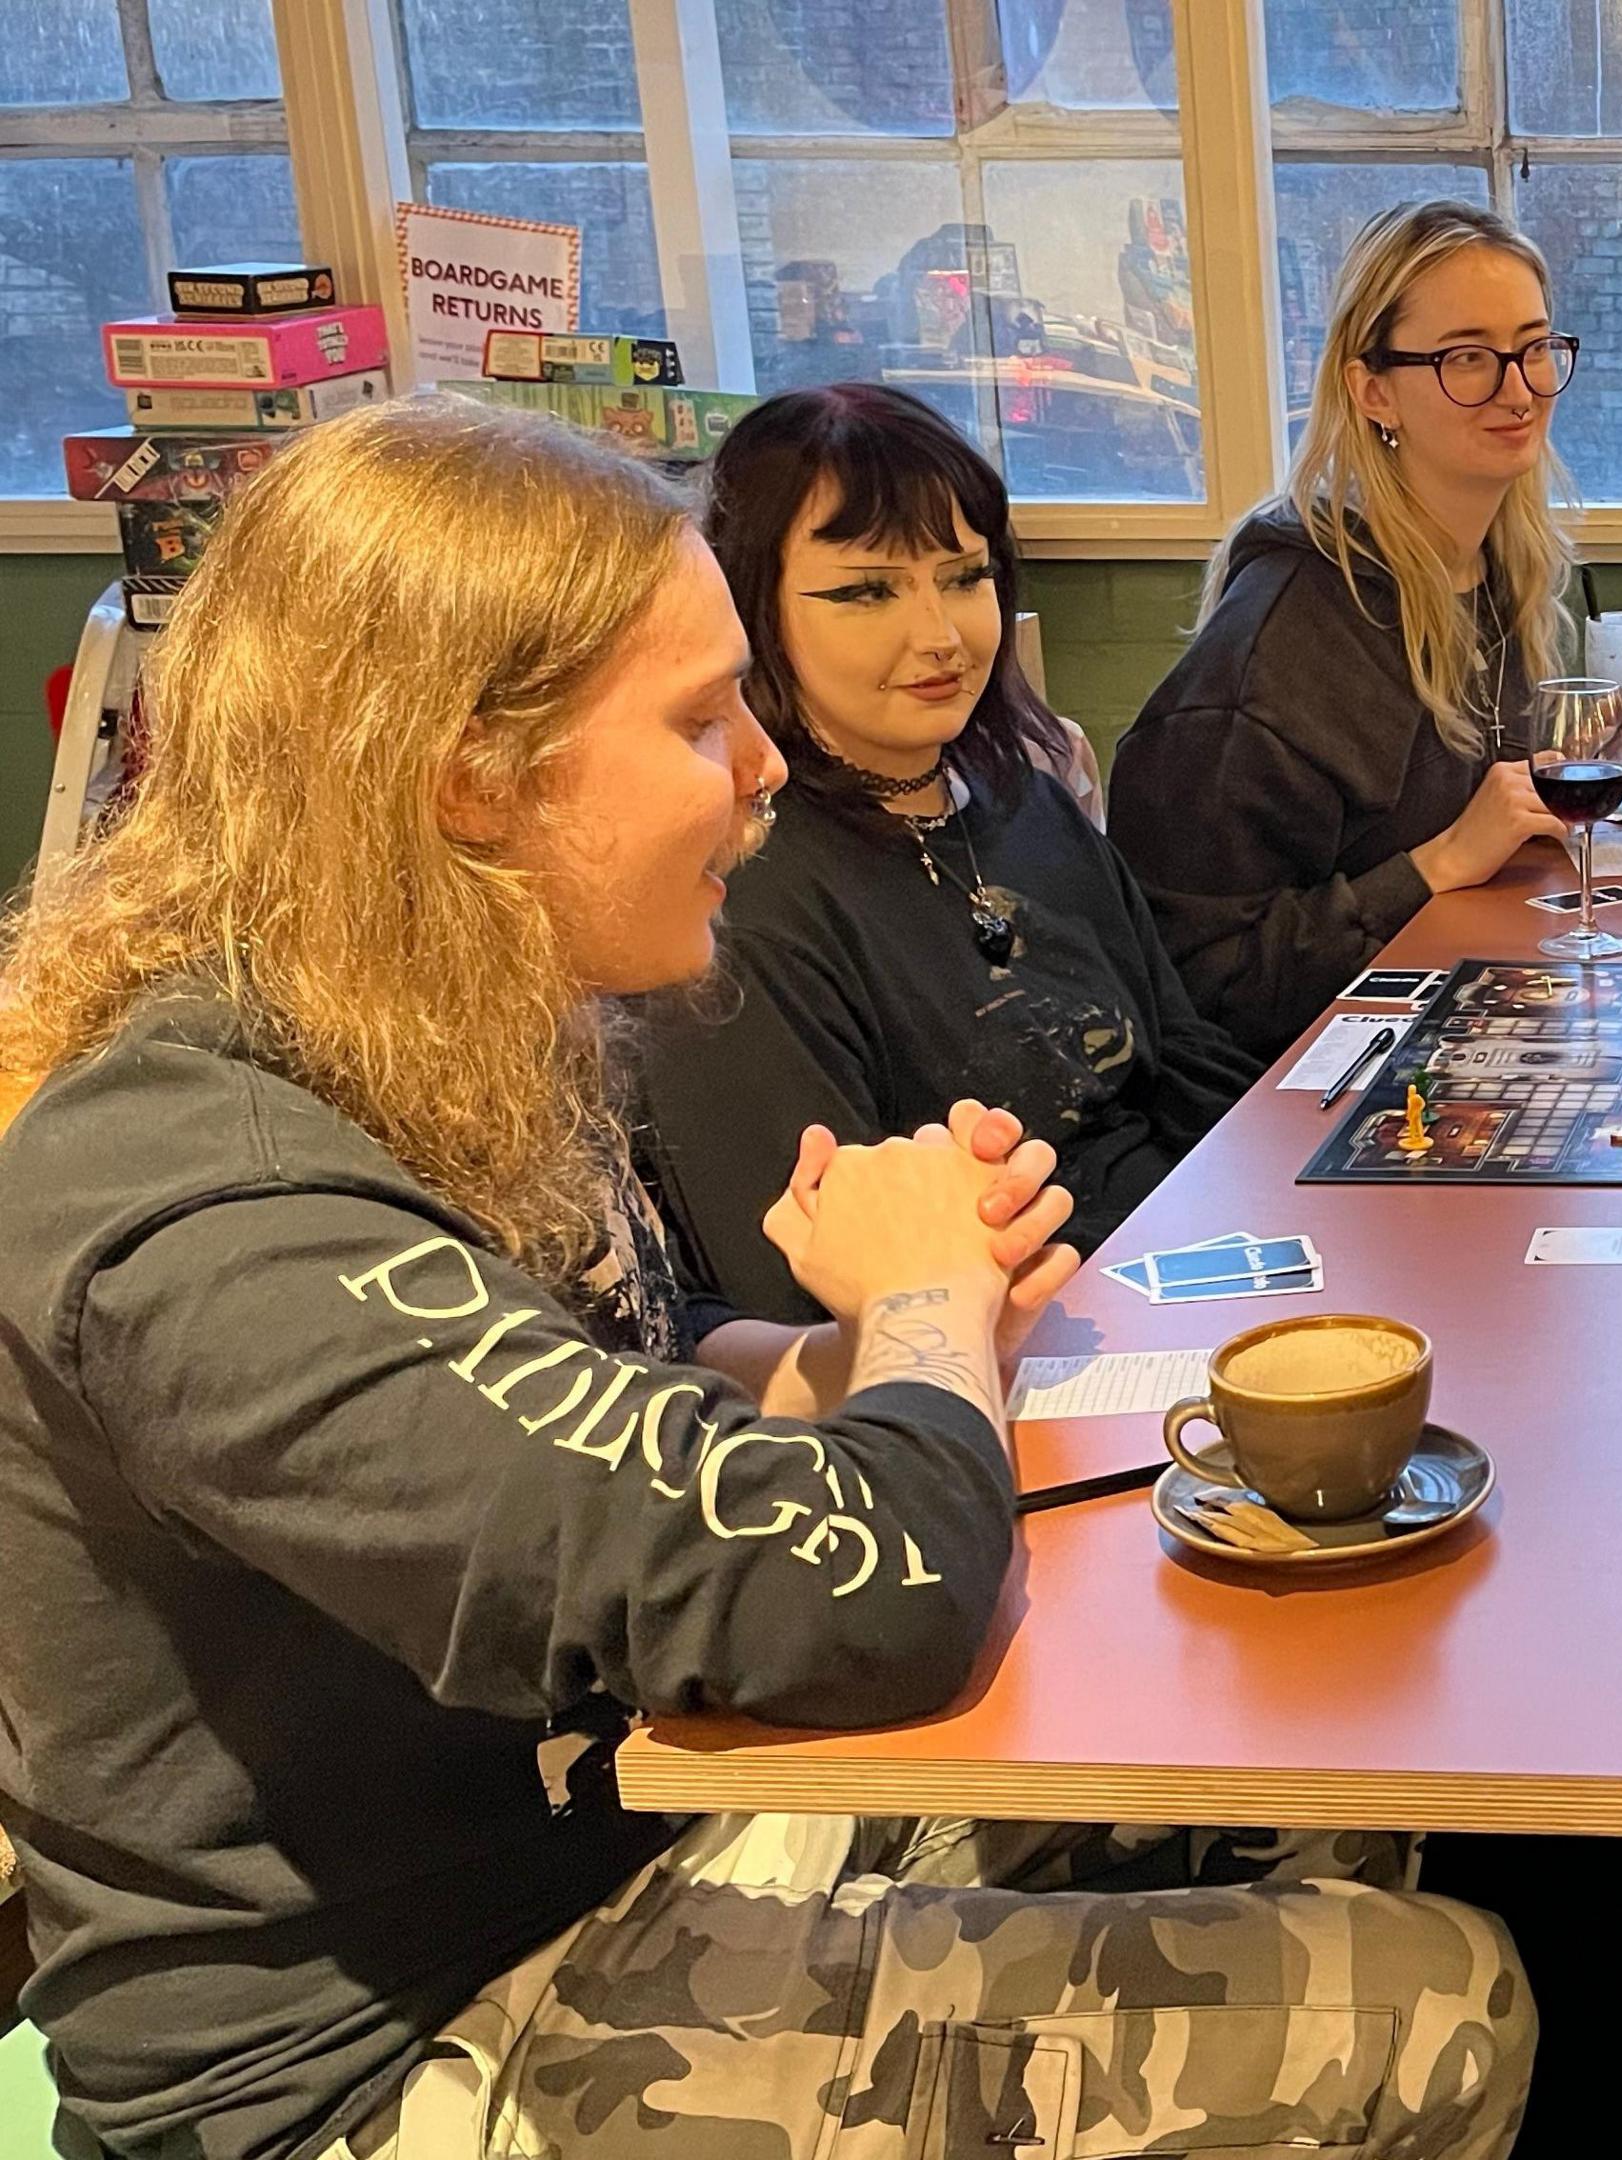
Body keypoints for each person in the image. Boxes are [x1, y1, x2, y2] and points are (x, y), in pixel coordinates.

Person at [0, 399, 1533, 2160]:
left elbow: (630, 1381)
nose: (763, 766)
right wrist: (929, 1319)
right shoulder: (214, 1204)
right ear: (470, 776)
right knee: (1434, 2006)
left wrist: (872, 1340)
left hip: (648, 1829)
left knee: (1324, 1786)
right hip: (401, 2048)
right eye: (697, 718)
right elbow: (882, 1605)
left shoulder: (436, 1033)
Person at [633, 383, 1262, 1324]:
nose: (941, 637)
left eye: (966, 578)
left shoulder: (1023, 798)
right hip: (994, 1340)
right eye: (866, 591)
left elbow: (1181, 1062)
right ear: (750, 610)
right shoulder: (737, 898)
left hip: (1178, 1265)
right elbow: (800, 1292)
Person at [1113, 201, 1622, 1057]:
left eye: (1534, 349)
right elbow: (1200, 983)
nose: (1518, 391)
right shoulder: (1280, 637)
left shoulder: (1492, 567)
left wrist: (1572, 758)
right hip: (1295, 1100)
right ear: (1372, 390)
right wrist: (1439, 863)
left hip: (1458, 1034)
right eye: (1468, 358)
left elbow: (1444, 790)